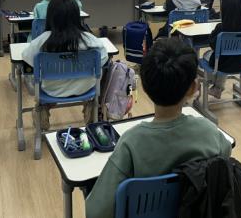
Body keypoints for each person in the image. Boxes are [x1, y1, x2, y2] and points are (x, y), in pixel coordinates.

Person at [86, 38, 232, 218]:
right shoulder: (210, 131)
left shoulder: (131, 142)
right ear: (192, 88)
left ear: (145, 88)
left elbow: (96, 212)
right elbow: (223, 162)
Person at [23, 0, 108, 130]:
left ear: (50, 17)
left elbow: (27, 58)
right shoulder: (89, 39)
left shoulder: (42, 40)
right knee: (103, 71)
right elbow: (103, 59)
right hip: (85, 88)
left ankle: (42, 109)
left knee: (35, 80)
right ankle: (91, 107)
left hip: (52, 90)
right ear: (76, 16)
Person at [203, 0, 241, 99]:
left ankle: (215, 84)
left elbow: (213, 45)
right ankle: (217, 87)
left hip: (223, 64)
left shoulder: (221, 28)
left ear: (223, 9)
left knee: (209, 55)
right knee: (226, 57)